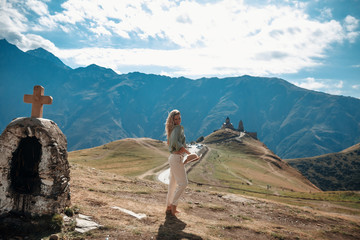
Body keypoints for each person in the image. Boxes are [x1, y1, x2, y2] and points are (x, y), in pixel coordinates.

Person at [165, 109, 199, 216]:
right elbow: (176, 143)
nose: (178, 120)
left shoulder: (172, 129)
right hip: (176, 158)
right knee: (183, 183)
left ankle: (169, 207)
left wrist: (183, 151)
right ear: (172, 120)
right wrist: (188, 152)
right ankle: (173, 206)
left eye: (179, 118)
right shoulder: (178, 128)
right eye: (176, 119)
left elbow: (173, 144)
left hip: (173, 158)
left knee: (173, 184)